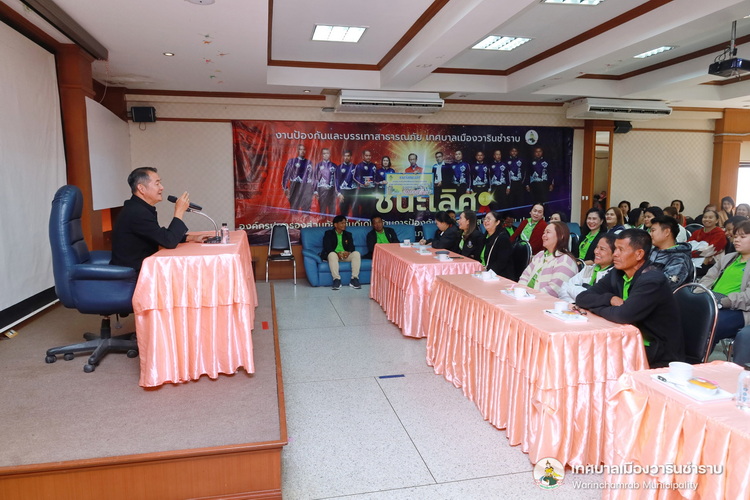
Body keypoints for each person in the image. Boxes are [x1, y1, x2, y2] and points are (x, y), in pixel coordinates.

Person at [576, 229, 684, 368]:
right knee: (585, 352)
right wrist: (609, 299)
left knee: (593, 358)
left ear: (639, 254)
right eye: (615, 249)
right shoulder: (618, 273)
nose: (615, 254)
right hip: (626, 340)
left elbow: (623, 315)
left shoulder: (652, 280)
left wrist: (594, 308)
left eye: (620, 250)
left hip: (656, 352)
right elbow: (582, 298)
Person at [111, 167, 191, 273]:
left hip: (143, 266)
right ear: (141, 188)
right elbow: (169, 241)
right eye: (157, 183)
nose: (162, 187)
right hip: (134, 272)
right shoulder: (137, 212)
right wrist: (179, 211)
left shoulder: (138, 207)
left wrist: (190, 237)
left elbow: (157, 235)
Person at [699, 219, 750, 367]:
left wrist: (725, 302)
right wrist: (701, 295)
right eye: (735, 236)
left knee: (709, 324)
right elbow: (707, 279)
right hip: (713, 302)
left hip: (739, 310)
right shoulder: (729, 258)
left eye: (742, 236)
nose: (736, 240)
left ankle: (696, 362)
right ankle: (685, 359)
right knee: (686, 316)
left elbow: (748, 297)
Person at [518, 221, 578, 298]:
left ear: (561, 236)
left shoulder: (565, 260)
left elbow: (554, 290)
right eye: (544, 232)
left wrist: (530, 297)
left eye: (548, 232)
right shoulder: (540, 255)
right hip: (527, 298)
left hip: (544, 302)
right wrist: (521, 292)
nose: (543, 235)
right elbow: (524, 276)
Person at [558, 233, 616, 303]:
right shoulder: (588, 269)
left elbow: (598, 300)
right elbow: (564, 288)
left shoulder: (614, 276)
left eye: (602, 249)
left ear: (614, 253)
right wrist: (575, 303)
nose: (596, 251)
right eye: (597, 247)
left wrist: (577, 291)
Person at [648, 215, 692, 290]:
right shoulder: (652, 251)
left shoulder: (680, 259)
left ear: (667, 232)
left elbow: (667, 285)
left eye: (653, 231)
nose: (650, 234)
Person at [321, 215, 361, 290]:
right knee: (332, 254)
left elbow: (352, 247)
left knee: (356, 253)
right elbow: (327, 247)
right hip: (335, 256)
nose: (344, 225)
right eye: (342, 223)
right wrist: (337, 253)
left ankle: (354, 279)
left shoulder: (348, 234)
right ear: (335, 225)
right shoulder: (328, 233)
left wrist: (348, 252)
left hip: (345, 256)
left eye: (345, 223)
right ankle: (336, 279)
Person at [688, 209, 726, 276]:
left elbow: (709, 251)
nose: (707, 219)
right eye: (705, 217)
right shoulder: (697, 232)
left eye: (710, 217)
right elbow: (687, 246)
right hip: (692, 260)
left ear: (717, 220)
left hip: (710, 264)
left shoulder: (720, 234)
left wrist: (690, 253)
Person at [480, 211, 514, 280]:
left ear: (497, 222)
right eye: (484, 219)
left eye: (488, 219)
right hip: (485, 272)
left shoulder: (503, 238)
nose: (485, 221)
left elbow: (501, 262)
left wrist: (487, 274)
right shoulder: (485, 236)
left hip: (500, 276)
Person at [281, 144, 313, 211]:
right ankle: (294, 217)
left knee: (306, 207)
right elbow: (286, 174)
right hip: (295, 185)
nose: (302, 151)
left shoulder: (309, 162)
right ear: (297, 151)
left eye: (304, 149)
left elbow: (312, 175)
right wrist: (285, 187)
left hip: (305, 185)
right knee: (294, 206)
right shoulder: (292, 161)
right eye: (300, 149)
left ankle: (305, 217)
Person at [312, 148, 338, 215]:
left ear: (330, 154)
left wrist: (338, 191)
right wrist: (315, 191)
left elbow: (337, 179)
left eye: (327, 153)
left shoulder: (334, 165)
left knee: (332, 208)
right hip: (322, 189)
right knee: (322, 208)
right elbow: (315, 178)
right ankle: (323, 220)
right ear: (322, 155)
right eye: (324, 153)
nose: (326, 155)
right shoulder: (318, 165)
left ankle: (332, 220)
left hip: (332, 190)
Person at [353, 150, 377, 217]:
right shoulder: (359, 165)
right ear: (363, 156)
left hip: (372, 189)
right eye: (366, 156)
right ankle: (364, 221)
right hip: (363, 190)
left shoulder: (373, 165)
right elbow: (355, 177)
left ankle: (371, 220)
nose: (368, 157)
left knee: (372, 206)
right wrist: (363, 183)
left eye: (369, 156)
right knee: (364, 206)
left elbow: (375, 176)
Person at [335, 151, 357, 217]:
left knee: (355, 211)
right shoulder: (339, 167)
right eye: (345, 156)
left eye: (348, 156)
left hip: (354, 191)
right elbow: (336, 181)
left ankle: (357, 223)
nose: (346, 157)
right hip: (344, 192)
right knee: (344, 212)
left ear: (351, 157)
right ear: (343, 157)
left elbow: (359, 179)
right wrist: (339, 194)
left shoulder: (355, 167)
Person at [505, 147, 525, 217]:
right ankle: (511, 216)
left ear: (517, 152)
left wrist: (522, 182)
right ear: (510, 152)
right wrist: (508, 185)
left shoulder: (521, 160)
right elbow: (506, 174)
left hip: (519, 183)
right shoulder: (506, 161)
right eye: (512, 151)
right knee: (511, 200)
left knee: (520, 200)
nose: (514, 152)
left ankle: (519, 216)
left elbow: (524, 171)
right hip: (511, 183)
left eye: (515, 151)